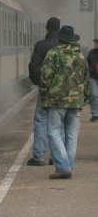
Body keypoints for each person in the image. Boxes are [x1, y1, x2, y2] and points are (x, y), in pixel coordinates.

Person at [39, 24, 90, 179]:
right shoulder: (81, 56)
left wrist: (44, 96)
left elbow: (45, 77)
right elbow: (86, 80)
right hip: (75, 102)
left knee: (54, 132)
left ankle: (63, 167)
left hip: (56, 101)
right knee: (72, 134)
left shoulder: (53, 53)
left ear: (60, 39)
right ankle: (68, 166)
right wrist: (83, 100)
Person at [26, 16, 61, 166]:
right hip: (62, 91)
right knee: (59, 123)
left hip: (45, 90)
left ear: (47, 28)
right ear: (58, 29)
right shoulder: (63, 45)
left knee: (41, 121)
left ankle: (39, 157)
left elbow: (33, 68)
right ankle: (56, 156)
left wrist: (40, 84)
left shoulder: (41, 45)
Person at [86, 38, 98, 122]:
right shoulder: (91, 53)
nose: (95, 44)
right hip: (93, 77)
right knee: (94, 95)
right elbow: (89, 63)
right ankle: (95, 114)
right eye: (95, 43)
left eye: (97, 43)